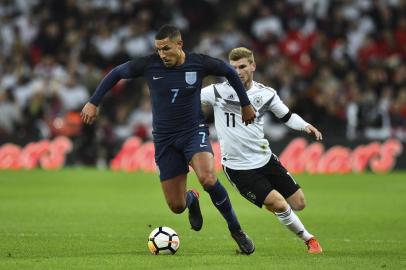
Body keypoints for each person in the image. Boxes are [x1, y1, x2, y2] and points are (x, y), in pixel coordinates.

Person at [81, 25, 257, 254]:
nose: (162, 54)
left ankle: (237, 231)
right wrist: (93, 102)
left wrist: (245, 103)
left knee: (208, 178)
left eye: (166, 49)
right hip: (165, 140)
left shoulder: (199, 63)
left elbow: (230, 72)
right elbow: (116, 73)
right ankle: (191, 199)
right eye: (158, 49)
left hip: (193, 132)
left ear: (179, 44)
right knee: (176, 206)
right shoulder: (149, 64)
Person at [201, 47, 323, 254]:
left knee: (299, 203)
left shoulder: (265, 94)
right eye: (233, 68)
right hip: (239, 168)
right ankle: (309, 240)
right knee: (280, 204)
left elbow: (287, 117)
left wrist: (305, 126)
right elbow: (188, 98)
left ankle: (271, 203)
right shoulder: (217, 91)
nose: (237, 71)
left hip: (265, 160)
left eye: (242, 66)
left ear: (253, 66)